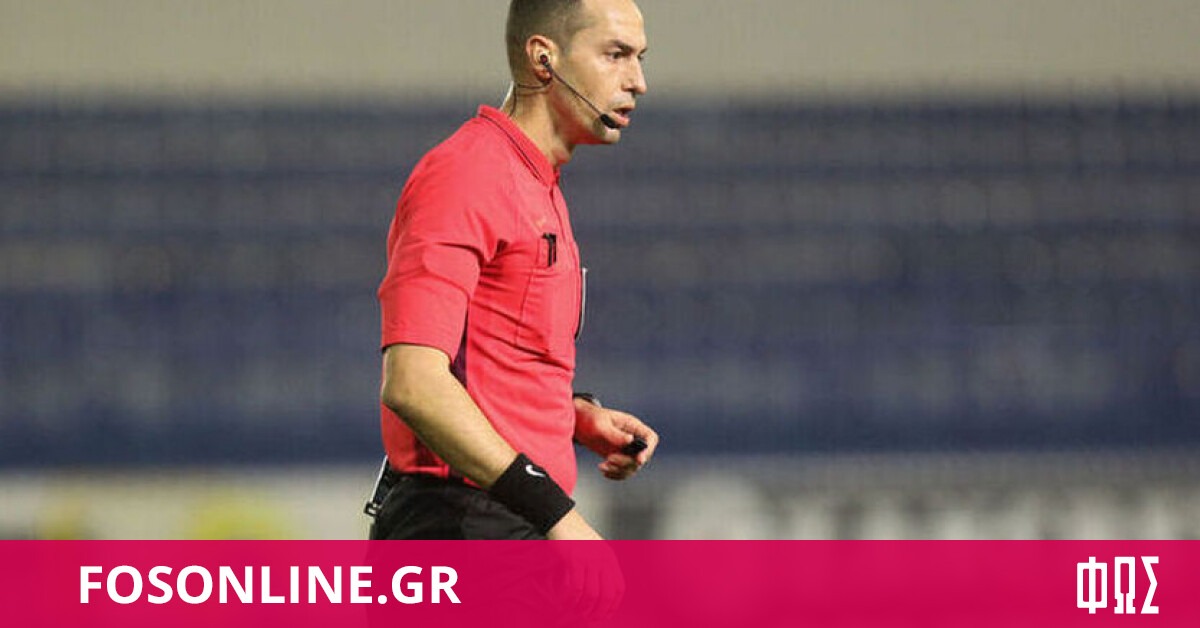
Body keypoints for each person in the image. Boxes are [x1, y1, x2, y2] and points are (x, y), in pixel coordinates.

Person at [368, 0, 657, 541]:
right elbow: (414, 382)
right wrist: (558, 517)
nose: (637, 81)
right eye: (615, 55)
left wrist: (572, 417)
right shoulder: (469, 173)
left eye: (639, 58)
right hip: (462, 526)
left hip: (501, 521)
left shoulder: (536, 184)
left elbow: (489, 363)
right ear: (544, 58)